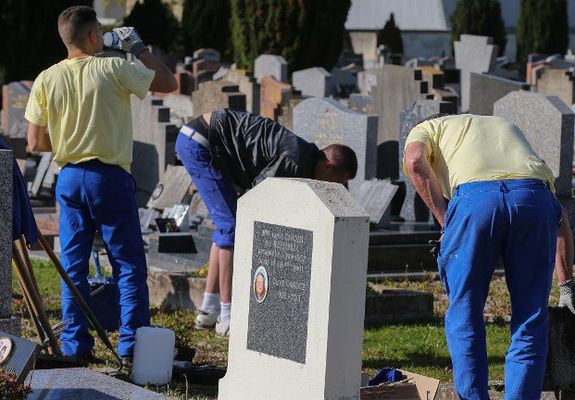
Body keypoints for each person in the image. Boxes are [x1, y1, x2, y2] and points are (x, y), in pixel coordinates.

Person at [25, 6, 177, 363]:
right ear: (94, 36)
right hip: (108, 178)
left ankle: (76, 348)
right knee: (126, 264)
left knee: (73, 266)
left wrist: (67, 141)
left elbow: (34, 143)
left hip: (69, 178)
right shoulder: (113, 66)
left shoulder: (46, 77)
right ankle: (132, 349)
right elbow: (169, 84)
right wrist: (137, 48)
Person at [403, 114, 575, 400]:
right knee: (531, 316)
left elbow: (414, 162)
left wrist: (445, 222)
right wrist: (566, 284)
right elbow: (560, 218)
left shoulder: (427, 127)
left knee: (465, 311)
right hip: (534, 199)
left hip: (476, 202)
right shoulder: (504, 124)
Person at [177, 109, 357, 336]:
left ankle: (209, 310)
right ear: (328, 166)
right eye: (336, 182)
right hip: (202, 143)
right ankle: (227, 316)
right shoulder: (294, 161)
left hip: (204, 140)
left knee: (226, 226)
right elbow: (257, 195)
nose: (333, 188)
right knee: (232, 227)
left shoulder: (304, 158)